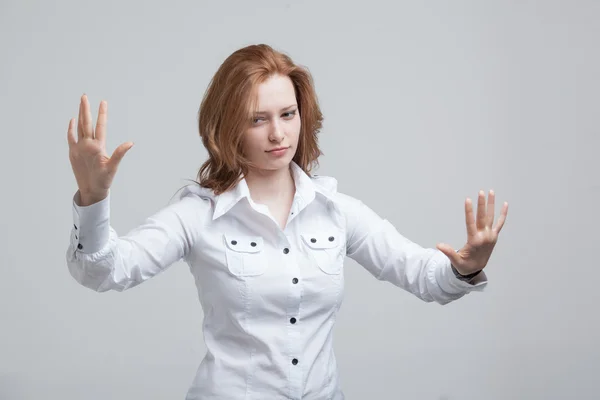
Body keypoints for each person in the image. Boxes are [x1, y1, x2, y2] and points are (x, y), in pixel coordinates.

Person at [65, 44, 508, 400]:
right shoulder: (198, 214)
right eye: (257, 119)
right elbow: (104, 271)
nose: (278, 134)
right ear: (228, 127)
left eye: (287, 114)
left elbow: (423, 275)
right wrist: (93, 198)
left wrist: (463, 267)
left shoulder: (337, 211)